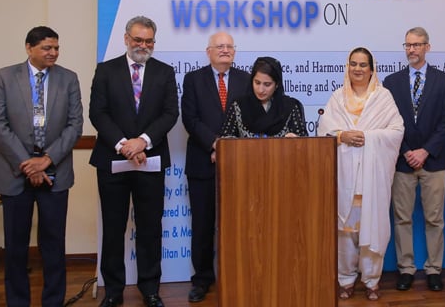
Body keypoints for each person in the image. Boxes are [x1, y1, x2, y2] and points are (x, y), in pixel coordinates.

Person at [0, 26, 83, 307]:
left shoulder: (68, 79)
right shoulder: (4, 77)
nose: (53, 53)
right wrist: (29, 165)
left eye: (56, 47)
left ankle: (53, 302)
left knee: (53, 245)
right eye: (46, 48)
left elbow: (75, 125)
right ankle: (18, 302)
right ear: (29, 48)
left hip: (56, 173)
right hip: (14, 173)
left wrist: (46, 160)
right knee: (15, 247)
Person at [89, 16, 179, 307]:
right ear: (126, 39)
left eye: (149, 40)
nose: (143, 45)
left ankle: (150, 290)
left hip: (150, 162)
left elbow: (169, 113)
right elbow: (98, 113)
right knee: (114, 229)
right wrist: (125, 145)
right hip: (112, 162)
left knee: (150, 228)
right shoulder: (106, 70)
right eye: (138, 40)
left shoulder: (164, 72)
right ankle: (113, 291)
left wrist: (143, 141)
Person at [318, 47, 404, 301]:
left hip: (372, 178)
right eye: (353, 64)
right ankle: (345, 279)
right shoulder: (337, 97)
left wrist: (369, 137)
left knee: (373, 226)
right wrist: (342, 136)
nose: (357, 69)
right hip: (344, 177)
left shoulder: (383, 97)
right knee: (346, 231)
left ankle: (371, 280)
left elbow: (397, 131)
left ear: (371, 69)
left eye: (363, 64)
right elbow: (325, 131)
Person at [383, 27, 445, 292]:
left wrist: (425, 151)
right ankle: (406, 269)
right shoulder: (391, 82)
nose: (411, 49)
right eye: (408, 45)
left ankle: (434, 269)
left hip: (433, 161)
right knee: (402, 218)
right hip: (402, 161)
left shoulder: (444, 81)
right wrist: (406, 151)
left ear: (428, 47)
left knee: (434, 219)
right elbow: (389, 122)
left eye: (417, 45)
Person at [181, 32, 250, 302]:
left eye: (229, 47)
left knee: (239, 224)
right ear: (208, 51)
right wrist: (214, 144)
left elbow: (251, 118)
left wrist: (228, 146)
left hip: (239, 164)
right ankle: (202, 280)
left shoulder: (247, 80)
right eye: (219, 46)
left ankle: (237, 274)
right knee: (202, 225)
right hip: (202, 163)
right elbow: (190, 117)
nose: (225, 50)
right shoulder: (193, 79)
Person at [220, 56, 307, 138]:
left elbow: (304, 144)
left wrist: (295, 141)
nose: (261, 90)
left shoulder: (290, 107)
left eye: (267, 84)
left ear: (276, 85)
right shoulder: (239, 105)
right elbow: (226, 142)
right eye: (257, 83)